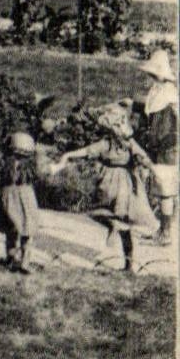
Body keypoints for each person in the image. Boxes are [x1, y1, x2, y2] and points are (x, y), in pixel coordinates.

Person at [51, 104, 158, 273]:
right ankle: (123, 253)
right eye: (115, 126)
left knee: (121, 221)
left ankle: (128, 262)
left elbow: (143, 156)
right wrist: (68, 155)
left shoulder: (128, 143)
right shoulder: (106, 143)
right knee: (110, 216)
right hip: (110, 183)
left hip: (124, 184)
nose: (118, 129)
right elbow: (87, 151)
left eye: (118, 126)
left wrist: (151, 169)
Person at [0, 131, 41, 274]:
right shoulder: (31, 165)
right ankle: (24, 262)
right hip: (27, 196)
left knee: (11, 231)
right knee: (28, 231)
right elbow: (46, 170)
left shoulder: (4, 163)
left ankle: (11, 259)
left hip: (7, 195)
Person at [135, 49, 178, 246]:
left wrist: (153, 142)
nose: (150, 77)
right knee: (162, 190)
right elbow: (150, 110)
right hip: (160, 148)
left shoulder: (169, 95)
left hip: (167, 149)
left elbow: (165, 126)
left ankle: (166, 233)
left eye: (152, 74)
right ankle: (162, 229)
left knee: (165, 191)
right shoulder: (159, 90)